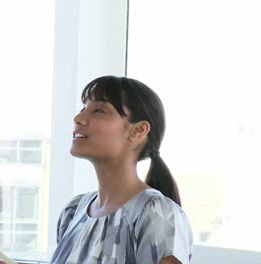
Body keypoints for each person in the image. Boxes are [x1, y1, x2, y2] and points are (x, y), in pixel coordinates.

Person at [50, 76, 193, 264]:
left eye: (99, 111)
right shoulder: (73, 211)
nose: (79, 118)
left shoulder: (157, 214)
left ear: (138, 131)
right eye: (83, 108)